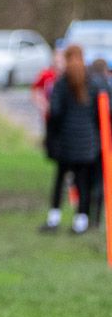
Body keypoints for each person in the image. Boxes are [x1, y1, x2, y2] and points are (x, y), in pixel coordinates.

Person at [44, 45, 106, 235]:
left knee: (60, 180)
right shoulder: (93, 83)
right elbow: (101, 113)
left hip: (66, 142)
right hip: (88, 142)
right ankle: (81, 221)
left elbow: (54, 112)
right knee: (83, 182)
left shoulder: (62, 83)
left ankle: (54, 219)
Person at [35, 47, 67, 233]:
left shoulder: (71, 80)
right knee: (58, 165)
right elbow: (35, 90)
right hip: (52, 126)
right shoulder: (47, 75)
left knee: (65, 169)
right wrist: (43, 106)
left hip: (67, 131)